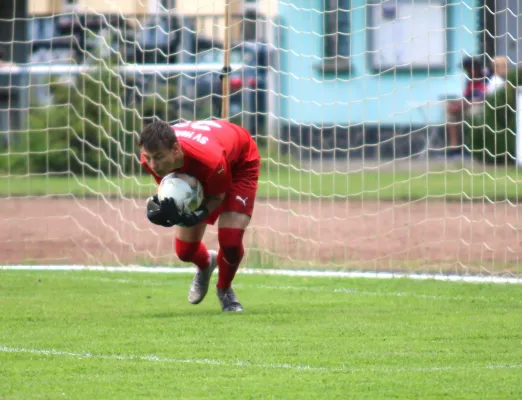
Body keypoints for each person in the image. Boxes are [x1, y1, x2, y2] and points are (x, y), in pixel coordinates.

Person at [139, 119, 261, 312]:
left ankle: (224, 289)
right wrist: (161, 209)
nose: (153, 164)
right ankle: (206, 264)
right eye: (148, 157)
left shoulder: (210, 161)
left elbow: (218, 196)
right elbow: (169, 188)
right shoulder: (150, 159)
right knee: (185, 252)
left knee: (230, 241)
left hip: (239, 164)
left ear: (176, 149)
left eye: (159, 157)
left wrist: (196, 216)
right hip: (207, 159)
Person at [445, 56, 487, 156]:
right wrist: (456, 105)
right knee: (451, 114)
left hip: (482, 107)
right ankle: (454, 147)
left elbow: (483, 98)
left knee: (474, 113)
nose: (468, 71)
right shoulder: (469, 81)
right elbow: (466, 96)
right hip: (468, 106)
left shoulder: (485, 79)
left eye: (470, 68)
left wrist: (464, 104)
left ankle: (474, 146)